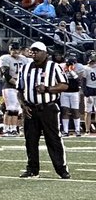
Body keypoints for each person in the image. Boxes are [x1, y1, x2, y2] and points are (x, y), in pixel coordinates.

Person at [17, 42, 70, 179]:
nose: (34, 53)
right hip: (31, 109)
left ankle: (61, 169)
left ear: (45, 53)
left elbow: (64, 85)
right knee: (30, 140)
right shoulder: (25, 67)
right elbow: (20, 90)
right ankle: (32, 169)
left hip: (48, 108)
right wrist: (23, 105)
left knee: (53, 139)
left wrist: (47, 89)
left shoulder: (54, 67)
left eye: (37, 51)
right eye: (32, 51)